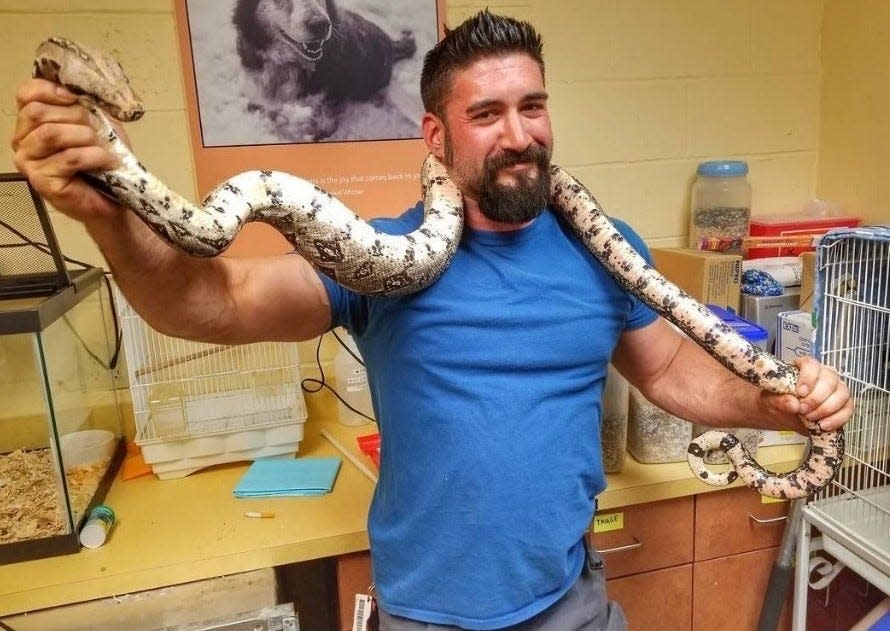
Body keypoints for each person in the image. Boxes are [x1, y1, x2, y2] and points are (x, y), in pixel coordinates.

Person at [11, 9, 852, 631]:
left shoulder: (604, 246)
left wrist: (767, 401)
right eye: (487, 115)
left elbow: (668, 371)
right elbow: (208, 300)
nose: (519, 134)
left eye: (533, 106)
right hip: (425, 617)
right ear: (436, 135)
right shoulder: (379, 254)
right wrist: (109, 214)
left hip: (574, 604)